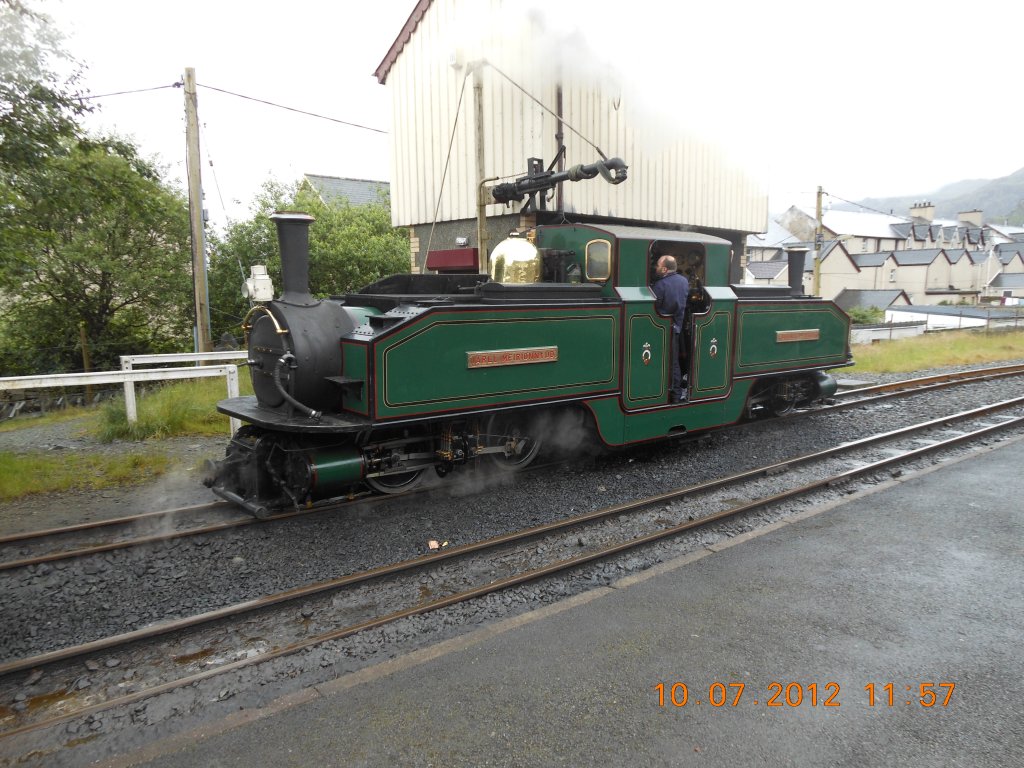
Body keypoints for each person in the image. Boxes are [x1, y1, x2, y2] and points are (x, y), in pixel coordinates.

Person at [652, 255, 690, 402]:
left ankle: (674, 394)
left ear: (664, 269)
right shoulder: (684, 281)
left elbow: (654, 308)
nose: (656, 268)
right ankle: (675, 393)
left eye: (658, 265)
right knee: (673, 362)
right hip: (677, 326)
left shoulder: (660, 285)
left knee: (670, 363)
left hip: (662, 328)